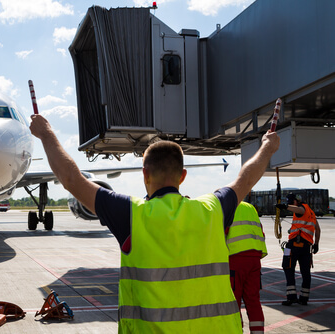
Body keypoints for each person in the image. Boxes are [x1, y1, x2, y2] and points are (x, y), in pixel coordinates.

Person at [30, 114, 279, 333]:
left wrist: (46, 134)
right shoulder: (212, 209)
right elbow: (246, 178)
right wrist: (267, 148)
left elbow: (71, 178)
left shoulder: (131, 214)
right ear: (182, 176)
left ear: (144, 174)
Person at [226, 201, 267, 333]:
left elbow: (222, 232)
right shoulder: (250, 207)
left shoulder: (226, 205)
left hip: (235, 258)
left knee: (234, 301)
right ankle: (258, 331)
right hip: (254, 259)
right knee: (253, 300)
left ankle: (236, 330)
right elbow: (261, 231)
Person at [276, 193, 321, 306]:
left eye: (292, 202)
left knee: (287, 266)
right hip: (306, 247)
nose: (291, 204)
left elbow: (299, 210)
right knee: (305, 272)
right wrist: (316, 244)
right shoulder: (311, 213)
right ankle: (304, 298)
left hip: (294, 245)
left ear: (297, 201)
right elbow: (318, 229)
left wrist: (285, 206)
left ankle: (291, 297)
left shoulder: (302, 209)